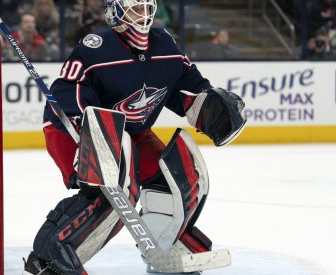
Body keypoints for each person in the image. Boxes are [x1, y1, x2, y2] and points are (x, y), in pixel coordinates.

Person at [21, 0, 246, 274]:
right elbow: (69, 93)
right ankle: (49, 259)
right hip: (71, 130)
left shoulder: (164, 44)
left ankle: (165, 249)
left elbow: (187, 86)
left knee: (181, 177)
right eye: (134, 9)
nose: (142, 16)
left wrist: (208, 105)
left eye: (146, 9)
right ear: (116, 12)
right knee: (114, 188)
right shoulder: (96, 47)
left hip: (132, 133)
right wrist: (87, 135)